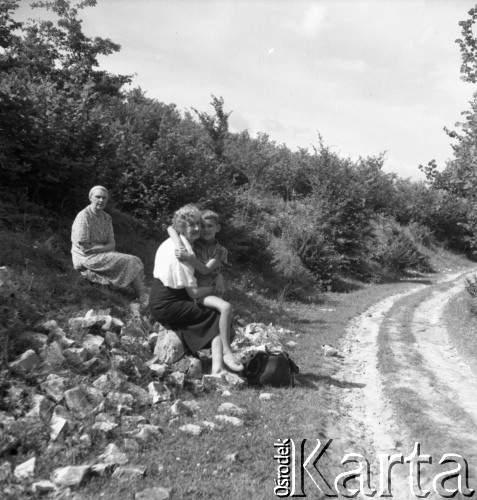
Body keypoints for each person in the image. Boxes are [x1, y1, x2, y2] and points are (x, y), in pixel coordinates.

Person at [150, 204, 243, 374]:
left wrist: (218, 276)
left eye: (197, 224)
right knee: (216, 316)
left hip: (169, 299)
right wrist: (215, 286)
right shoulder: (183, 254)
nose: (197, 228)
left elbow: (171, 229)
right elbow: (193, 293)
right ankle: (221, 362)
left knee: (218, 314)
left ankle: (217, 366)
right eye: (191, 225)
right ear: (182, 228)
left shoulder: (183, 244)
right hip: (167, 304)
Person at [168, 210, 236, 372]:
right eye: (203, 226)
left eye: (210, 226)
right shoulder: (193, 243)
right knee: (226, 308)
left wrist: (189, 258)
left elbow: (206, 270)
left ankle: (217, 367)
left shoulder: (220, 250)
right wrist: (179, 245)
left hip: (212, 291)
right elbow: (170, 229)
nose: (205, 229)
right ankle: (227, 351)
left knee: (221, 319)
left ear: (218, 228)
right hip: (198, 292)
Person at [71, 186, 147, 305]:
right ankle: (142, 296)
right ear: (91, 198)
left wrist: (101, 248)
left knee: (136, 260)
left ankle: (139, 291)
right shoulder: (84, 216)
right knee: (131, 261)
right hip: (85, 257)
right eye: (98, 197)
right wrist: (104, 248)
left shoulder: (107, 218)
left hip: (101, 252)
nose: (101, 200)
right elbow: (84, 248)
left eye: (104, 198)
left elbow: (112, 244)